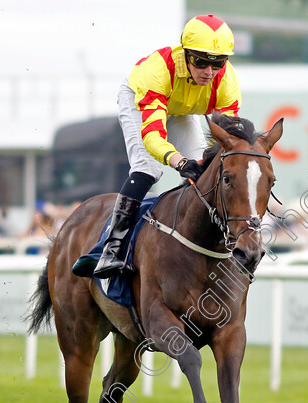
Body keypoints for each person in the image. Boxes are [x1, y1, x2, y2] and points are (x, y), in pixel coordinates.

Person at [87, 14, 241, 279]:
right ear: (186, 54)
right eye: (201, 61)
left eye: (218, 63)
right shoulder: (159, 71)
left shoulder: (226, 82)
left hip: (182, 109)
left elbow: (228, 141)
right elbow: (152, 137)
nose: (209, 72)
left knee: (206, 170)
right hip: (141, 100)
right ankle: (112, 246)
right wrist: (180, 162)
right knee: (148, 168)